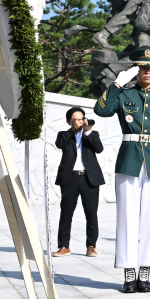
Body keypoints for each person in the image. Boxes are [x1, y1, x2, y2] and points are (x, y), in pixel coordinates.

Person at [93, 48, 150, 293]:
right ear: (137, 69)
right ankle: (128, 273)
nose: (147, 71)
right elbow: (101, 110)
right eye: (143, 67)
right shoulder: (125, 94)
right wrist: (117, 84)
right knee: (126, 219)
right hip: (129, 162)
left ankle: (145, 272)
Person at [53, 107, 104, 258]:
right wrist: (73, 130)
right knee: (66, 213)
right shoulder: (64, 134)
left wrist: (87, 132)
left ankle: (91, 245)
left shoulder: (92, 134)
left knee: (91, 214)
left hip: (89, 178)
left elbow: (99, 149)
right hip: (70, 178)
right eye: (76, 119)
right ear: (69, 121)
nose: (80, 121)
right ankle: (64, 246)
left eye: (82, 118)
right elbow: (60, 144)